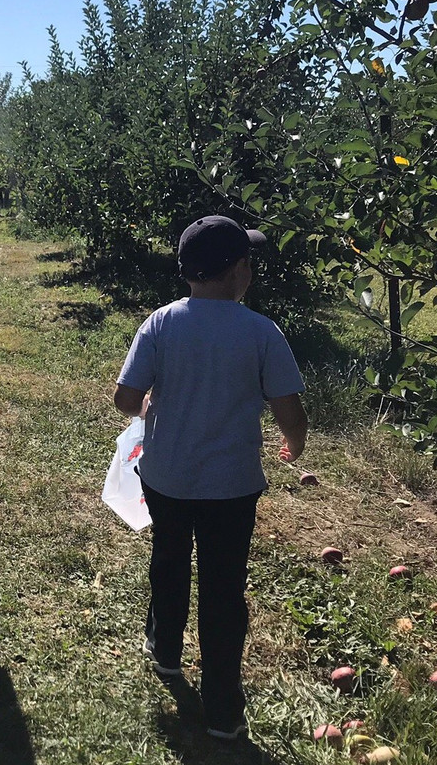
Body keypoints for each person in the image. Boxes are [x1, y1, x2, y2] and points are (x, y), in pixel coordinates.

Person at [112, 215, 308, 741]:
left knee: (169, 559)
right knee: (223, 588)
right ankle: (223, 709)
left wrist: (148, 405)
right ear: (240, 270)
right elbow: (289, 409)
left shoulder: (161, 323)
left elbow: (126, 398)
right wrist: (294, 441)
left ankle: (165, 650)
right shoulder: (261, 332)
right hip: (231, 486)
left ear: (187, 271)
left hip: (166, 478)